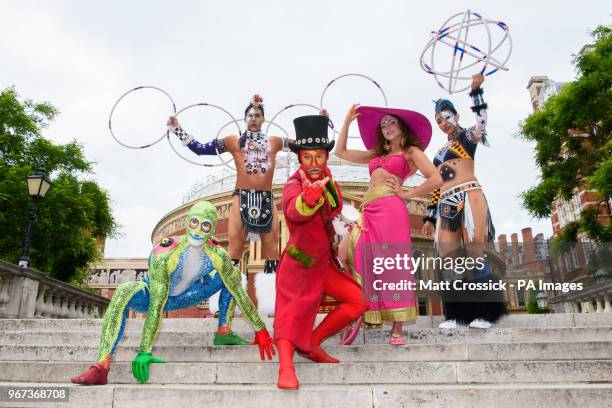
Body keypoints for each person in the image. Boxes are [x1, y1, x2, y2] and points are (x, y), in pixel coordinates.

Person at [70, 201, 274, 385]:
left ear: (211, 229)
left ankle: (224, 332)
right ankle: (102, 365)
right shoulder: (164, 251)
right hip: (152, 297)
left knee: (234, 278)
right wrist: (145, 350)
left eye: (205, 226)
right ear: (187, 223)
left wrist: (260, 328)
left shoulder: (217, 254)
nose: (198, 231)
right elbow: (157, 304)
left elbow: (238, 292)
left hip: (187, 296)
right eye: (194, 223)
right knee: (123, 290)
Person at [273, 115, 368, 390]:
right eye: (307, 158)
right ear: (299, 159)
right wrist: (309, 198)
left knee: (358, 300)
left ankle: (313, 343)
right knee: (293, 313)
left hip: (324, 263)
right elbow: (294, 210)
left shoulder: (330, 182)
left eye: (319, 157)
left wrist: (326, 197)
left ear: (326, 156)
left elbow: (335, 209)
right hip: (300, 262)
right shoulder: (293, 185)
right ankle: (286, 368)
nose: (314, 164)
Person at [335, 104, 442, 345]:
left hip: (392, 209)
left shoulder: (410, 152)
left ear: (402, 127)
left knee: (392, 263)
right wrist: (347, 122)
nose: (387, 127)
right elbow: (340, 152)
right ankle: (364, 309)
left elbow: (435, 178)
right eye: (383, 125)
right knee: (348, 252)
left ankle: (397, 327)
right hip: (369, 208)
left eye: (391, 122)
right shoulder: (376, 154)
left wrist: (408, 194)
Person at [423, 74, 507, 329]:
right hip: (446, 203)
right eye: (438, 121)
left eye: (446, 117)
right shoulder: (438, 153)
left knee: (474, 253)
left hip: (469, 196)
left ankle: (487, 313)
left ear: (456, 115)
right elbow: (437, 184)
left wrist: (476, 91)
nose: (443, 123)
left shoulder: (468, 137)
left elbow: (482, 121)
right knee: (448, 258)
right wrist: (429, 215)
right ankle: (458, 315)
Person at [168, 95, 282, 280]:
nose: (253, 119)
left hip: (266, 200)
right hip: (241, 198)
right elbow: (201, 149)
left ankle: (273, 302)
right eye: (250, 115)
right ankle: (226, 300)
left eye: (258, 115)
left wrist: (322, 122)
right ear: (244, 118)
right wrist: (177, 129)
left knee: (271, 250)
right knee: (235, 250)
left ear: (263, 119)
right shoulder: (233, 142)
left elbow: (304, 147)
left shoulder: (275, 142)